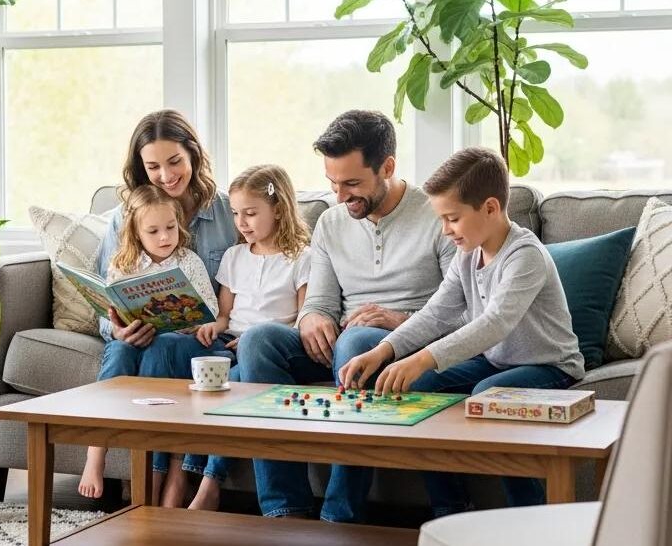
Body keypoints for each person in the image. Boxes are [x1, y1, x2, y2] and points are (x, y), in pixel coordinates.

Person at [338, 146, 585, 515]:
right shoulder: (467, 253)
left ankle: (533, 517)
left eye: (451, 219)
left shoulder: (525, 256)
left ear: (489, 208)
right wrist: (384, 350)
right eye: (441, 220)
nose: (445, 230)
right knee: (418, 387)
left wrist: (422, 358)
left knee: (490, 395)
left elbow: (495, 323)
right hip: (497, 363)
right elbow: (437, 312)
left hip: (549, 366)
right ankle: (452, 510)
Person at [236, 110, 455, 522]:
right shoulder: (332, 222)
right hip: (341, 338)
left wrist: (397, 318)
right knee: (258, 340)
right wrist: (311, 320)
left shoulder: (437, 215)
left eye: (352, 184)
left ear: (387, 167)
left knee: (355, 343)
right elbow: (318, 302)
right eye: (333, 184)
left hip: (404, 342)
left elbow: (460, 310)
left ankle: (339, 514)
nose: (339, 197)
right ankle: (284, 507)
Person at [84, 110, 237, 504]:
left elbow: (253, 271)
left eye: (175, 162)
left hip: (200, 339)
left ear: (193, 157)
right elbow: (107, 297)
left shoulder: (225, 212)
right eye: (153, 166)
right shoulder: (126, 215)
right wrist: (117, 329)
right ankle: (123, 469)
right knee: (125, 348)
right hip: (142, 336)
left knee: (164, 347)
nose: (166, 176)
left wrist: (229, 325)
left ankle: (167, 482)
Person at [181, 164, 312, 511]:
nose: (241, 222)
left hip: (273, 347)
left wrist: (257, 337)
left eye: (251, 213)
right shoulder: (235, 256)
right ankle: (190, 478)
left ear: (279, 209)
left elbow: (304, 319)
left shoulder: (301, 257)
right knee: (198, 371)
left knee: (233, 384)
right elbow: (225, 314)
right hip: (230, 343)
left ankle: (208, 481)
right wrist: (214, 325)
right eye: (237, 213)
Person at [78, 185, 218, 500]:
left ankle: (156, 475)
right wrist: (119, 330)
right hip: (133, 337)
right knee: (119, 352)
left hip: (176, 340)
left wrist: (191, 323)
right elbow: (110, 310)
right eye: (153, 231)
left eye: (170, 227)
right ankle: (95, 453)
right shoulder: (124, 263)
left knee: (160, 349)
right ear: (136, 233)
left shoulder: (189, 261)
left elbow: (211, 312)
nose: (164, 237)